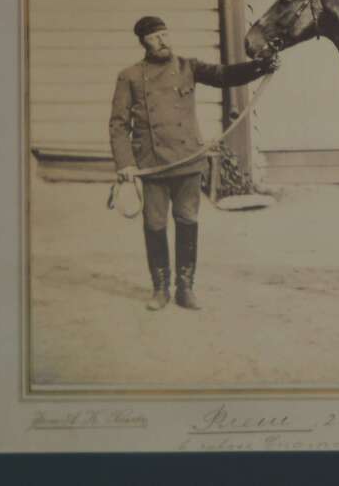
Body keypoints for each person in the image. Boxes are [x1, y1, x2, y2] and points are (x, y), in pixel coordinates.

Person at [109, 16, 278, 311]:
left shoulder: (188, 67)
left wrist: (261, 66)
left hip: (187, 161)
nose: (163, 41)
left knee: (187, 221)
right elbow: (118, 124)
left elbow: (225, 75)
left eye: (165, 34)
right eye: (155, 37)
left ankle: (185, 288)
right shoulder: (130, 77)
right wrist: (125, 163)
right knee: (155, 224)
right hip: (153, 165)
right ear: (143, 42)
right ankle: (160, 288)